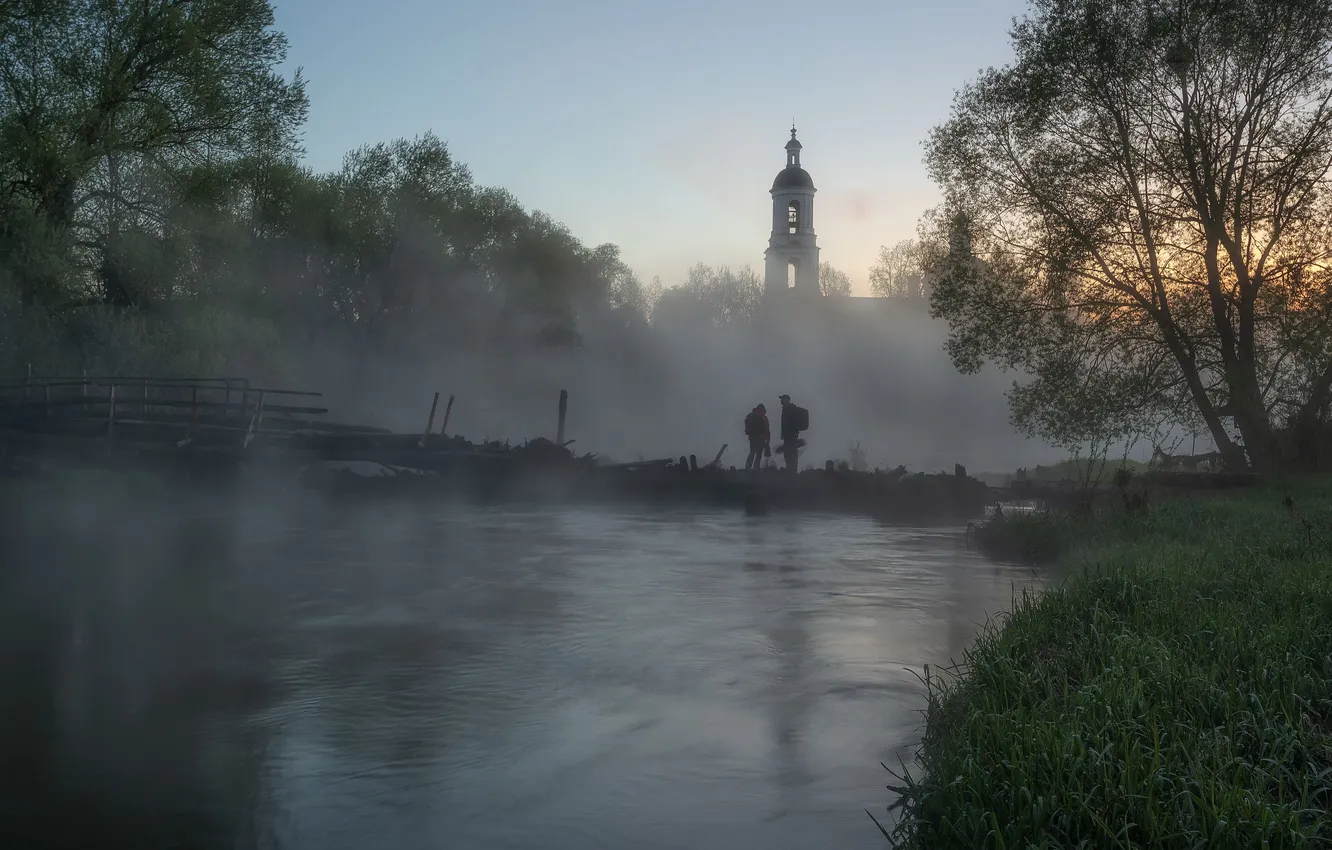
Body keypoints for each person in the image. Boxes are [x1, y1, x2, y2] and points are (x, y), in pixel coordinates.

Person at [776, 394, 808, 473]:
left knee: (791, 452)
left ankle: (792, 470)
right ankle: (791, 469)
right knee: (790, 452)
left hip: (791, 435)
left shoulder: (790, 409)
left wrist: (790, 430)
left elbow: (789, 422)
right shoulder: (787, 409)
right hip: (789, 435)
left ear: (786, 400)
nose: (781, 401)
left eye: (782, 399)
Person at [744, 403, 770, 470]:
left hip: (758, 438)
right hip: (757, 438)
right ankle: (752, 468)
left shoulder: (752, 416)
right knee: (755, 453)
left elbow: (767, 430)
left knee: (755, 453)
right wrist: (767, 439)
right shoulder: (760, 417)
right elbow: (767, 430)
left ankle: (749, 468)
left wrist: (767, 439)